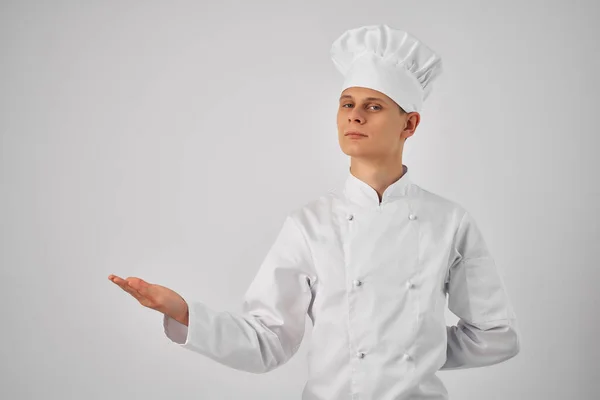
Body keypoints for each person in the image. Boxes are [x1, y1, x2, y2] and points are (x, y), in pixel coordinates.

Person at [109, 24, 521, 399]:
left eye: (374, 106)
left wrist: (410, 347)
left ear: (409, 124)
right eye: (347, 103)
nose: (355, 115)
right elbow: (268, 342)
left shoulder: (448, 222)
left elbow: (495, 335)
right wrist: (182, 312)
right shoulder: (311, 224)